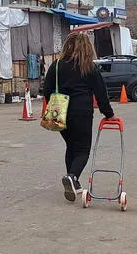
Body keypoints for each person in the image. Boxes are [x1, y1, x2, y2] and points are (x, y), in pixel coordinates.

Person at [43, 32, 115, 202]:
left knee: (71, 145)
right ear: (87, 48)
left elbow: (46, 90)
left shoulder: (57, 65)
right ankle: (72, 177)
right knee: (82, 149)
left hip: (60, 112)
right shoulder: (88, 66)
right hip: (81, 112)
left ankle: (72, 182)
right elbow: (101, 93)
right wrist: (109, 114)